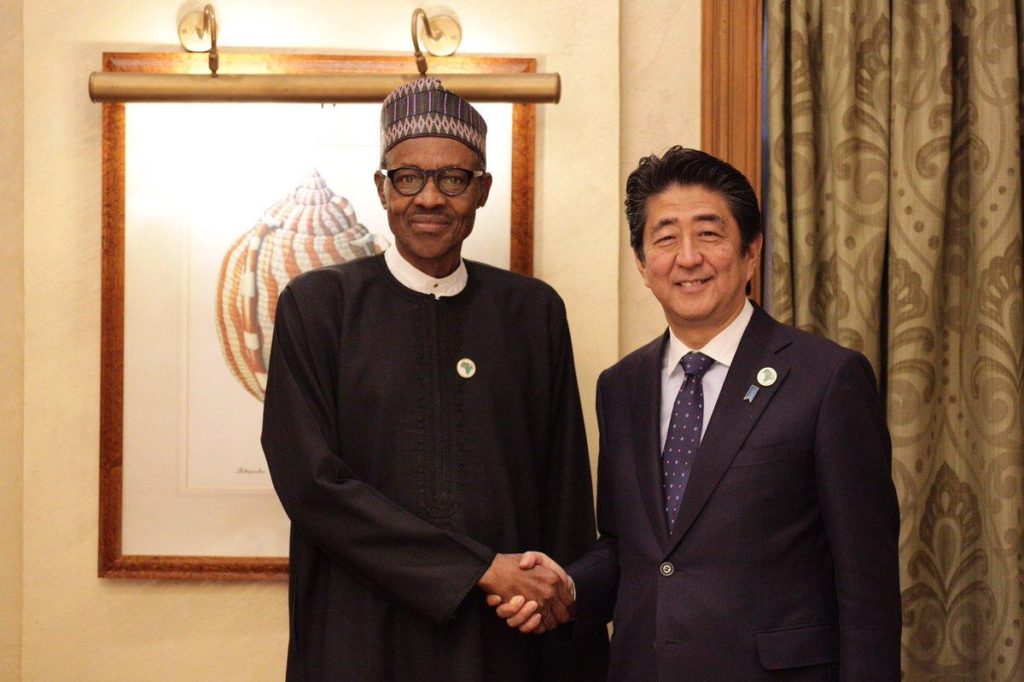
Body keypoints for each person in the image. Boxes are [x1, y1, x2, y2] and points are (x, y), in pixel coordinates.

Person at [492, 147, 902, 680]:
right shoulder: (621, 386)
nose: (687, 257)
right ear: (642, 264)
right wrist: (568, 587)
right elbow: (630, 548)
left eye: (709, 233)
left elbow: (867, 580)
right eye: (665, 238)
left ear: (750, 252)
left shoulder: (827, 378)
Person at [261, 77, 606, 681]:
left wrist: (556, 603)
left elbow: (565, 492)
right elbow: (312, 484)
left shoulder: (532, 312)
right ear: (382, 188)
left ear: (482, 191)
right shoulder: (319, 308)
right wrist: (478, 569)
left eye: (453, 178)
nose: (429, 198)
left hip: (502, 640)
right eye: (408, 177)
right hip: (359, 638)